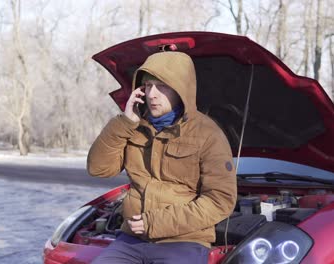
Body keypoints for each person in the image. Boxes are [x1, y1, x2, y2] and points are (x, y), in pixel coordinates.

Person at [87, 51, 237, 264]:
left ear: (181, 89)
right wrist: (124, 122)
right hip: (131, 240)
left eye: (162, 86)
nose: (152, 94)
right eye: (148, 86)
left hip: (184, 242)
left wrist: (154, 222)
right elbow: (98, 169)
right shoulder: (134, 127)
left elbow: (220, 200)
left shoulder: (208, 133)